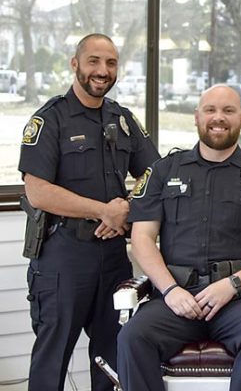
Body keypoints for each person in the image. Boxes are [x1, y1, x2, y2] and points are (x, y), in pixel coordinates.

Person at [18, 33, 160, 391]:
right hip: (63, 257)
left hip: (112, 258)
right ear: (75, 64)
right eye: (94, 61)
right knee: (52, 360)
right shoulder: (51, 120)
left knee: (113, 359)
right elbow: (37, 192)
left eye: (110, 63)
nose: (102, 70)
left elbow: (154, 174)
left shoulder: (123, 119)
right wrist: (102, 211)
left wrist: (126, 208)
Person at [117, 84, 241, 391]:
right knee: (132, 337)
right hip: (177, 297)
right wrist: (170, 290)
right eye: (210, 110)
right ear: (196, 117)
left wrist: (232, 285)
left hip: (239, 300)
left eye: (228, 111)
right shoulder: (164, 171)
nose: (219, 118)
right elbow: (142, 238)